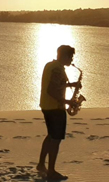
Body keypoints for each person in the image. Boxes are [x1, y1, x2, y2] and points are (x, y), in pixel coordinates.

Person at [37, 45, 79, 180]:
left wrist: (71, 85)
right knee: (56, 139)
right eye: (70, 56)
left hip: (47, 106)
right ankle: (51, 171)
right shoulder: (57, 69)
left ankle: (41, 164)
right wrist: (68, 102)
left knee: (51, 136)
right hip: (55, 108)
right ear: (65, 56)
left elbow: (57, 84)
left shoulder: (51, 65)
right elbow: (52, 90)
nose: (72, 59)